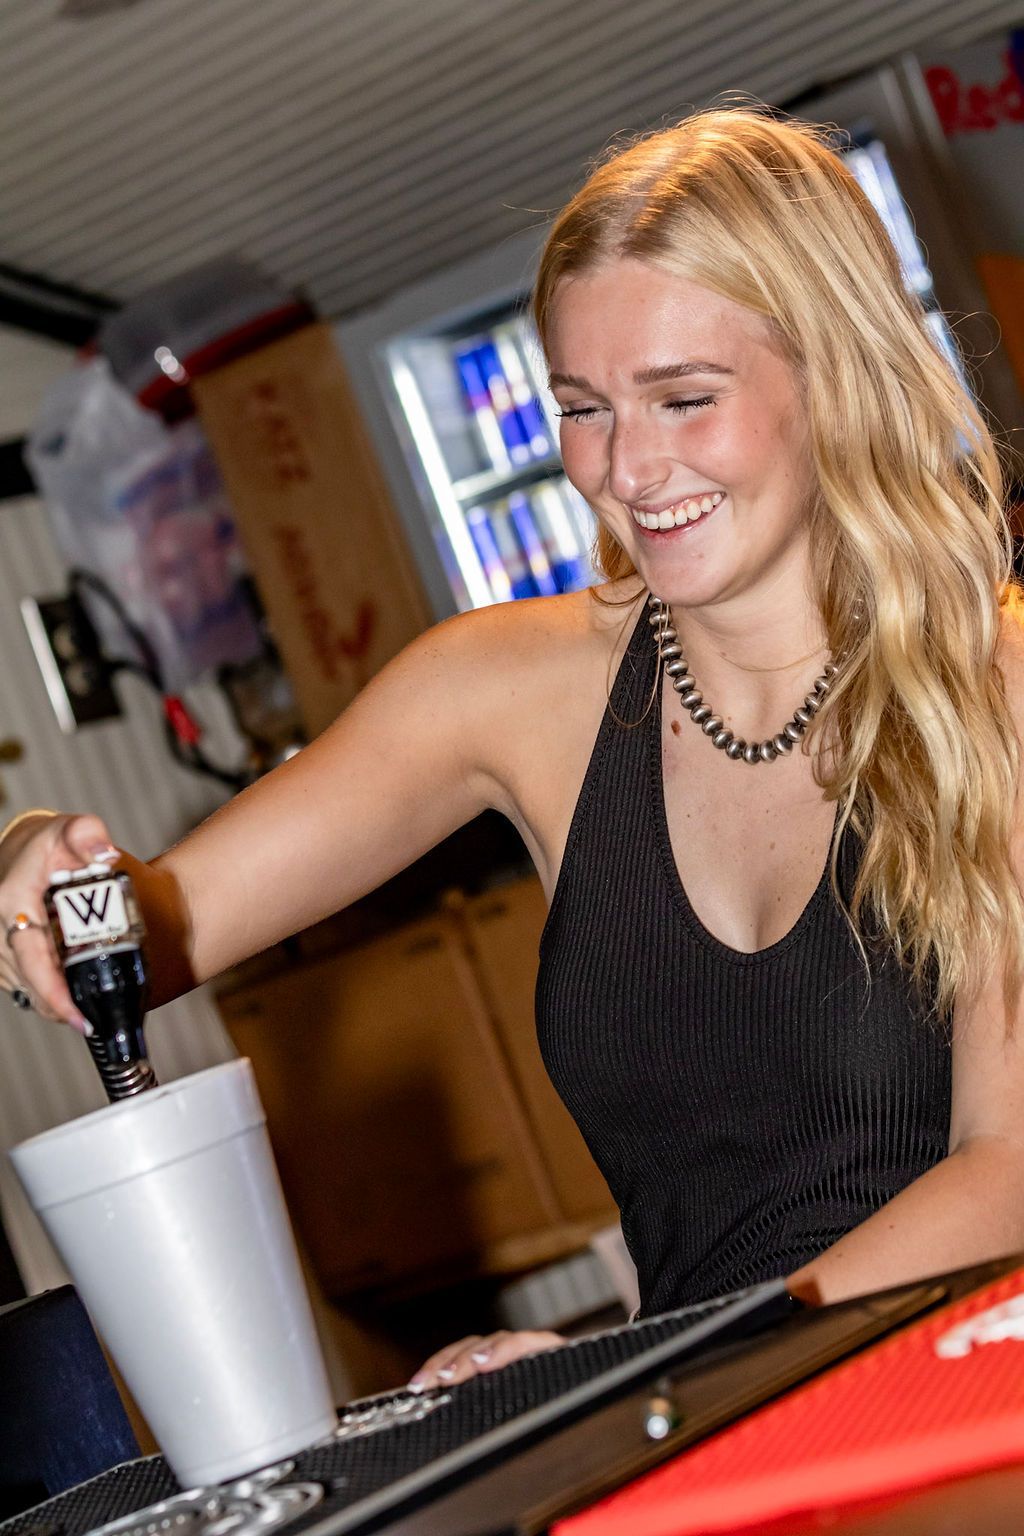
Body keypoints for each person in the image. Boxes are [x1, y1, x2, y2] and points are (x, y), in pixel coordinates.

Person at [3, 106, 1024, 1395]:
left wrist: (644, 1380)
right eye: (585, 409)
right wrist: (40, 863)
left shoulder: (998, 694)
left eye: (685, 399)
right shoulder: (509, 691)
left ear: (838, 374)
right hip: (702, 1423)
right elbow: (153, 935)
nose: (627, 468)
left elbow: (1007, 1176)